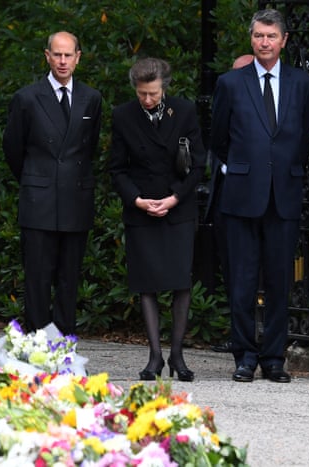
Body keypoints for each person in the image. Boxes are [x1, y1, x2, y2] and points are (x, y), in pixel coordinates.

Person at [210, 9, 309, 383]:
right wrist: (244, 167)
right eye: (258, 36)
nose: (264, 42)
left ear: (284, 40)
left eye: (271, 36)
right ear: (251, 39)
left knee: (277, 281)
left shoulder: (302, 83)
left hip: (283, 194)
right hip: (241, 195)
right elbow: (218, 138)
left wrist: (284, 168)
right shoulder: (231, 83)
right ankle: (244, 356)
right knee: (241, 280)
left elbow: (306, 136)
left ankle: (273, 358)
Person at [109, 57, 206, 381]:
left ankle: (177, 354)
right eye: (141, 94)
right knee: (146, 284)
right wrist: (137, 200)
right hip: (141, 209)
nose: (147, 100)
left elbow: (198, 164)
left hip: (177, 208)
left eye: (152, 93)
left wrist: (175, 197)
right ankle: (154, 357)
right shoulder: (123, 116)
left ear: (164, 87)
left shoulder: (185, 111)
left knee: (180, 281)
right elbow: (117, 168)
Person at [3, 31, 102, 336]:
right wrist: (38, 180)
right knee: (38, 277)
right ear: (47, 55)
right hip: (39, 199)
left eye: (68, 55)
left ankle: (65, 342)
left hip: (75, 198)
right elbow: (13, 148)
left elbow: (90, 149)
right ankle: (36, 341)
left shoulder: (91, 98)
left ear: (78, 57)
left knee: (69, 277)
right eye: (56, 55)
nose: (62, 61)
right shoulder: (27, 97)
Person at [207, 54, 255, 354]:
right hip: (226, 201)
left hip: (258, 201)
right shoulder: (228, 108)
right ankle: (239, 336)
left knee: (253, 275)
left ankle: (252, 338)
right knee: (233, 273)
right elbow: (217, 142)